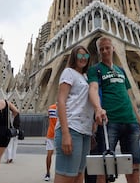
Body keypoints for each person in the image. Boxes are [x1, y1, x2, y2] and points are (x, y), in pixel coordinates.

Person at [87, 36, 140, 183]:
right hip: (110, 122)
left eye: (107, 48)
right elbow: (93, 89)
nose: (104, 51)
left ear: (113, 48)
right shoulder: (95, 70)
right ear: (98, 52)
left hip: (130, 122)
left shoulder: (121, 70)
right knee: (104, 166)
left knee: (134, 165)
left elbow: (129, 97)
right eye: (101, 49)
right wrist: (98, 108)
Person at [54, 45, 94, 183]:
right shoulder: (69, 72)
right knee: (66, 176)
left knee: (78, 176)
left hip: (84, 131)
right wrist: (65, 133)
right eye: (80, 55)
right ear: (74, 57)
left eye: (86, 56)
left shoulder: (86, 77)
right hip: (71, 128)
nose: (83, 58)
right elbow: (61, 100)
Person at [44, 103, 57, 181]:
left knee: (49, 154)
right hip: (60, 133)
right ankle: (60, 174)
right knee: (61, 155)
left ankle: (48, 173)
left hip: (50, 133)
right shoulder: (65, 107)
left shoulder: (51, 107)